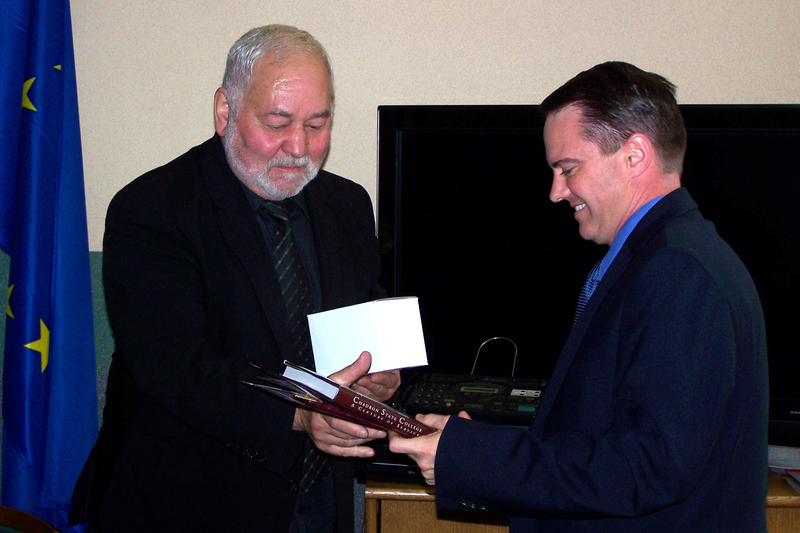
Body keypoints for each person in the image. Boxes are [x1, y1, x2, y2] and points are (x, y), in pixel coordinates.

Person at [390, 61, 768, 532]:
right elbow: (602, 436)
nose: (556, 191)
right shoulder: (669, 258)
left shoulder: (678, 273)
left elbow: (645, 466)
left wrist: (471, 457)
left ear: (635, 155)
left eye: (568, 169)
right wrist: (474, 444)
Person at [70, 25, 399, 532]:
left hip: (318, 500)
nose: (299, 146)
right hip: (189, 502)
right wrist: (301, 416)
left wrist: (383, 374)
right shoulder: (153, 208)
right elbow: (175, 363)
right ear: (225, 111)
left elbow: (365, 316)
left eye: (317, 123)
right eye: (278, 122)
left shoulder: (348, 204)